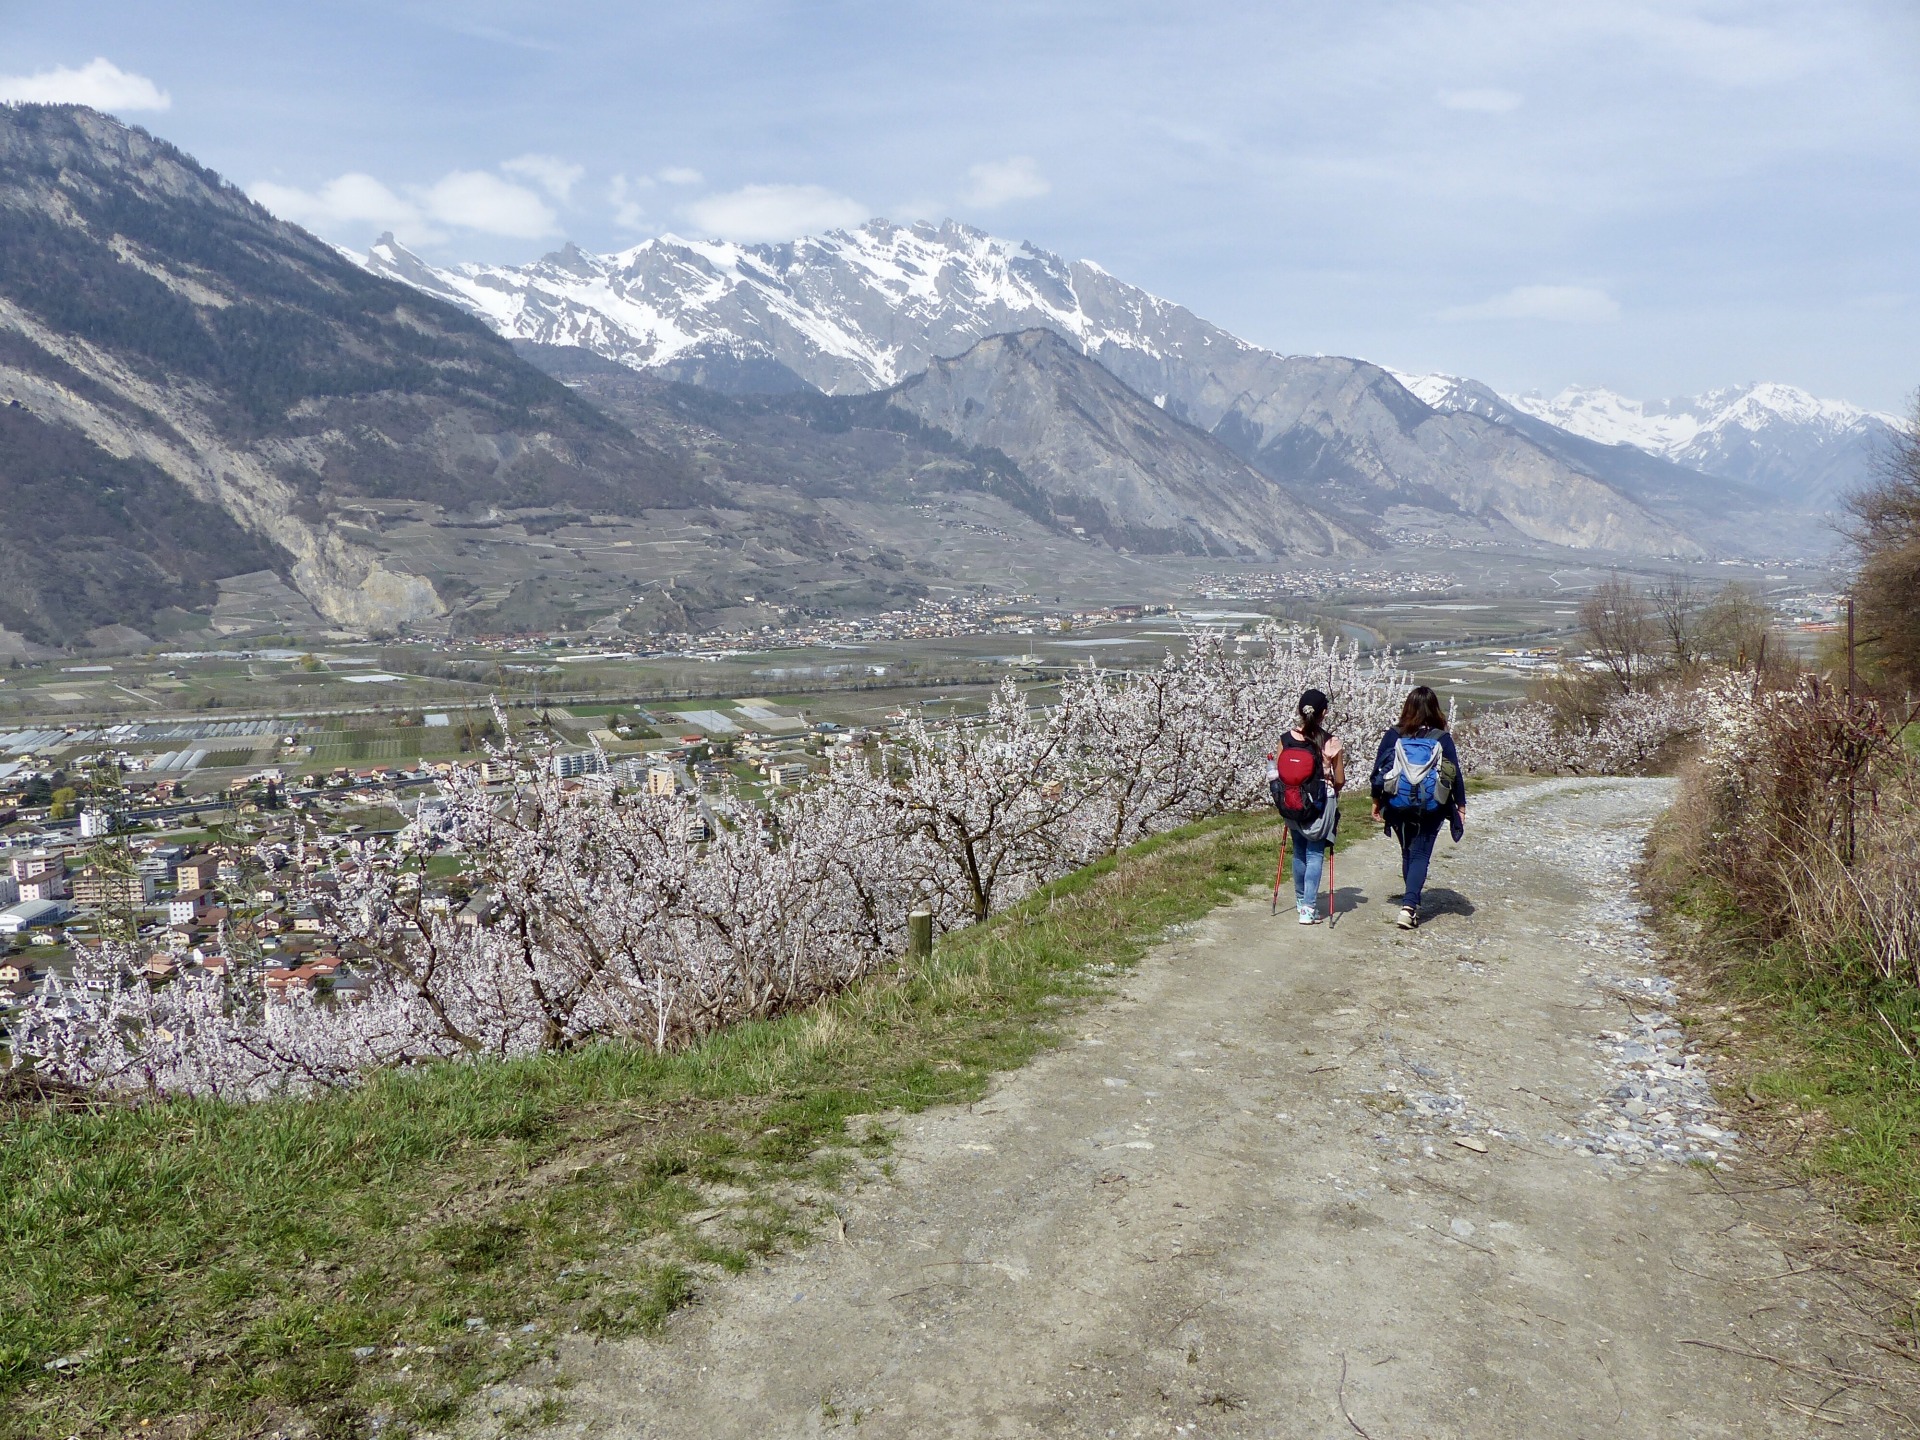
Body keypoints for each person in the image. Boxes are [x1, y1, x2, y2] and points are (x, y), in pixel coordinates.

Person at [1370, 685, 1465, 930]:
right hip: (1432, 806)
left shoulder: (1394, 734)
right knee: (1421, 854)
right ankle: (1409, 906)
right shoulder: (1441, 738)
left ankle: (1409, 900)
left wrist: (1376, 801)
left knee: (1407, 852)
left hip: (1398, 805)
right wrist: (1460, 805)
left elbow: (1379, 771)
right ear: (1434, 709)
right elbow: (1454, 774)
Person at [1276, 688, 1345, 925]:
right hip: (1320, 803)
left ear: (1300, 710)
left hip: (1292, 801)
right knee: (1315, 853)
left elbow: (1278, 773)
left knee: (1299, 852)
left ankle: (1299, 900)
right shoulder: (1331, 742)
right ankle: (1308, 908)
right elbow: (1340, 780)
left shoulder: (1285, 739)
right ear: (1324, 713)